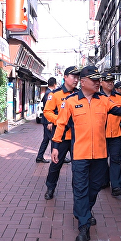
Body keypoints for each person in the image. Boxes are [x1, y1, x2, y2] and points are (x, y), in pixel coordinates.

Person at [51, 66, 121, 241]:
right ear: (83, 82)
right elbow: (60, 124)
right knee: (81, 188)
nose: (98, 82)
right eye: (94, 80)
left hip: (100, 154)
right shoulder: (70, 101)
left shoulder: (104, 101)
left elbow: (120, 109)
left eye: (99, 79)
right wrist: (55, 146)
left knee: (94, 188)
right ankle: (84, 226)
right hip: (80, 154)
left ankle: (83, 210)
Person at [42, 66, 80, 200]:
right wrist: (59, 121)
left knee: (78, 167)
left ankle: (78, 195)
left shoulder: (79, 94)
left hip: (77, 137)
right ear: (65, 77)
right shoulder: (55, 94)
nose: (76, 80)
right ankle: (50, 187)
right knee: (55, 164)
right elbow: (47, 112)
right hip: (61, 137)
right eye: (73, 77)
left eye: (78, 77)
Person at [100, 73, 121, 196]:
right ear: (101, 82)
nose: (110, 83)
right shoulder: (96, 97)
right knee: (102, 160)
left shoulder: (119, 97)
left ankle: (116, 186)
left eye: (112, 80)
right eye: (107, 81)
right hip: (101, 135)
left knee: (115, 160)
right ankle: (104, 181)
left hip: (116, 134)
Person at [36, 77, 58, 163]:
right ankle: (56, 157)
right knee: (53, 139)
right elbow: (48, 109)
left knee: (46, 139)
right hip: (48, 121)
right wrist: (50, 121)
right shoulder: (49, 94)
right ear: (54, 84)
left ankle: (39, 156)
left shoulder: (47, 93)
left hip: (46, 120)